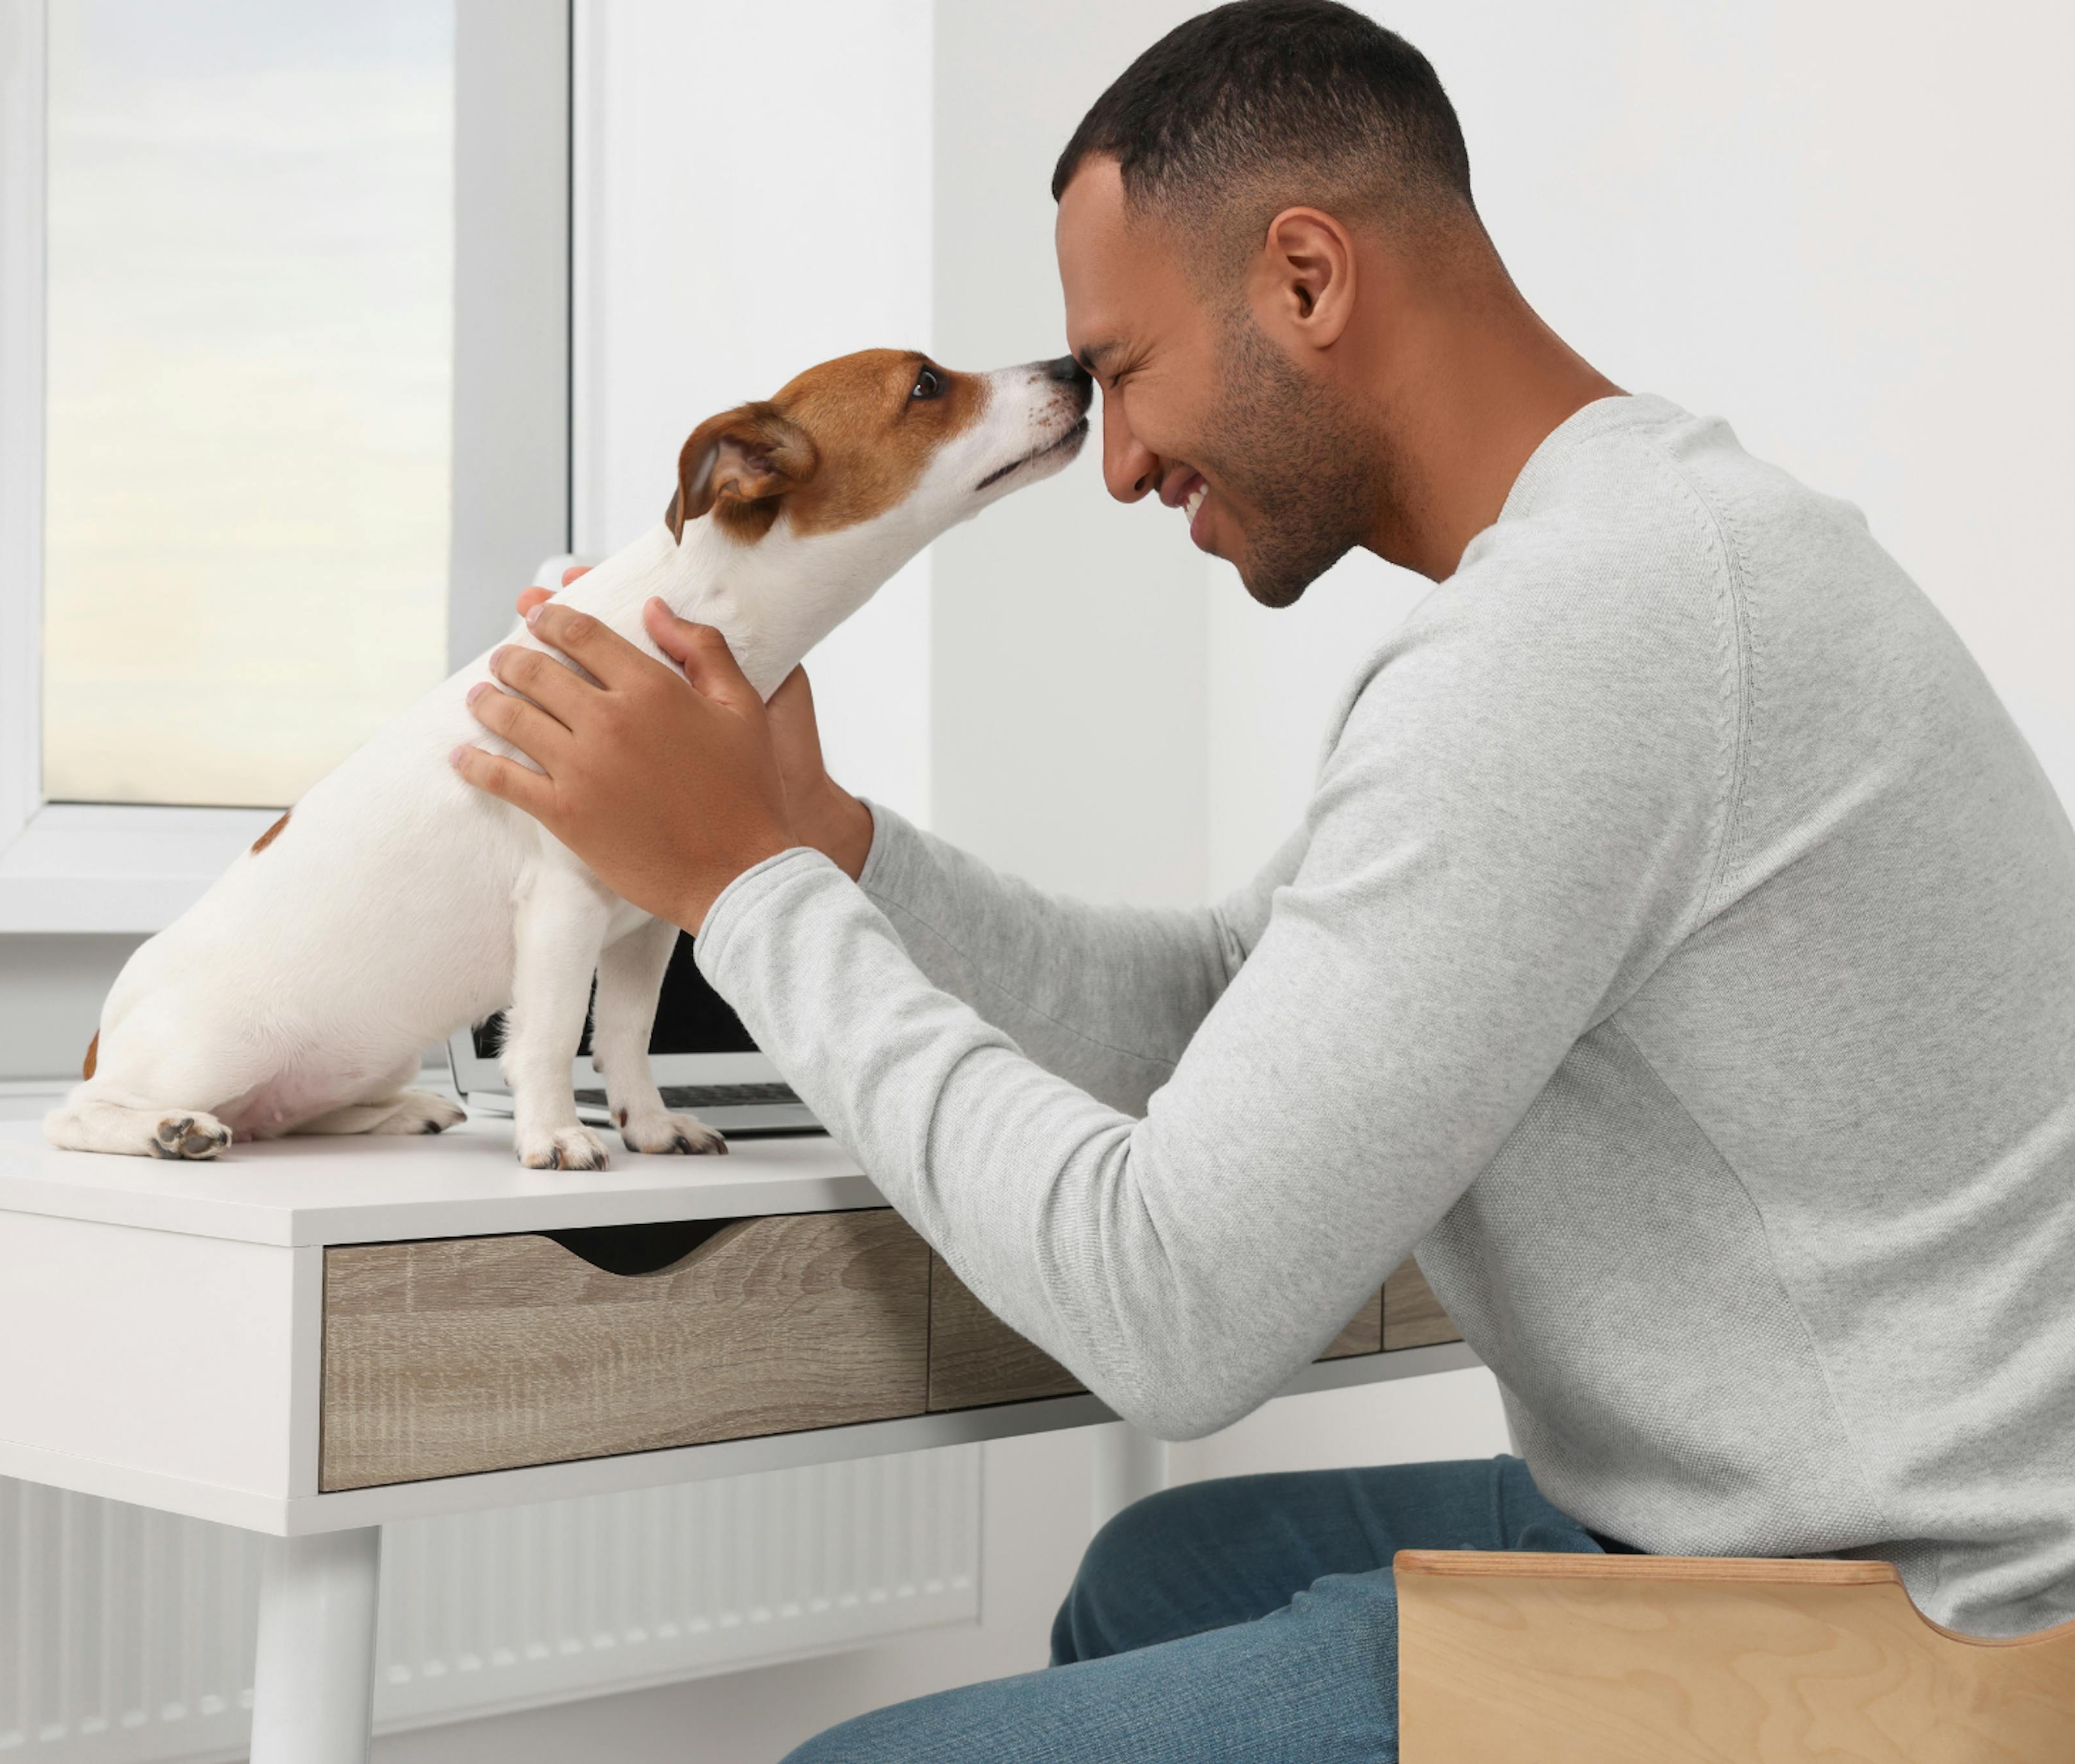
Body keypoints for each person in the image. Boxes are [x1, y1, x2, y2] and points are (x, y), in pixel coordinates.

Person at [451, 2, 2075, 1755]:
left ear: (1307, 277)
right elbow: (1230, 994)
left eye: (1127, 368)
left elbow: (1173, 1310)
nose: (1123, 458)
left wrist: (746, 894)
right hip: (1826, 1524)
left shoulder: (1584, 637)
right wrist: (836, 849)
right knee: (1155, 1571)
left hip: (1929, 1641)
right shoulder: (1639, 551)